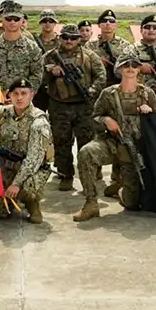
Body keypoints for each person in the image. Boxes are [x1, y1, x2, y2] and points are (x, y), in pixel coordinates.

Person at [73, 52, 156, 222]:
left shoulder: (147, 94)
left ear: (139, 69)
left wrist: (150, 113)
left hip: (134, 151)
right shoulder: (108, 93)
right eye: (126, 65)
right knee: (86, 153)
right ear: (119, 69)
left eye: (134, 65)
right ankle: (91, 203)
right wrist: (105, 120)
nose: (130, 68)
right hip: (112, 144)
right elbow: (94, 118)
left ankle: (119, 188)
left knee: (132, 203)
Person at [43, 25, 107, 191]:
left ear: (79, 39)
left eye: (73, 38)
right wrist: (51, 71)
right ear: (60, 38)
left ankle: (91, 174)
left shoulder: (90, 56)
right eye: (65, 37)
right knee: (61, 141)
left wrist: (91, 91)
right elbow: (39, 75)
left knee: (87, 141)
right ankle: (65, 174)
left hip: (83, 106)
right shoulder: (50, 57)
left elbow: (101, 76)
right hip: (59, 106)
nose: (69, 41)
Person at [0, 78, 53, 223]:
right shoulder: (5, 113)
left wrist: (16, 183)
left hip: (31, 169)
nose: (19, 98)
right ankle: (10, 200)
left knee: (29, 188)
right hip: (7, 167)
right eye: (15, 94)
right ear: (9, 95)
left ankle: (32, 204)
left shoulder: (38, 122)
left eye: (24, 93)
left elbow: (33, 159)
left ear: (32, 95)